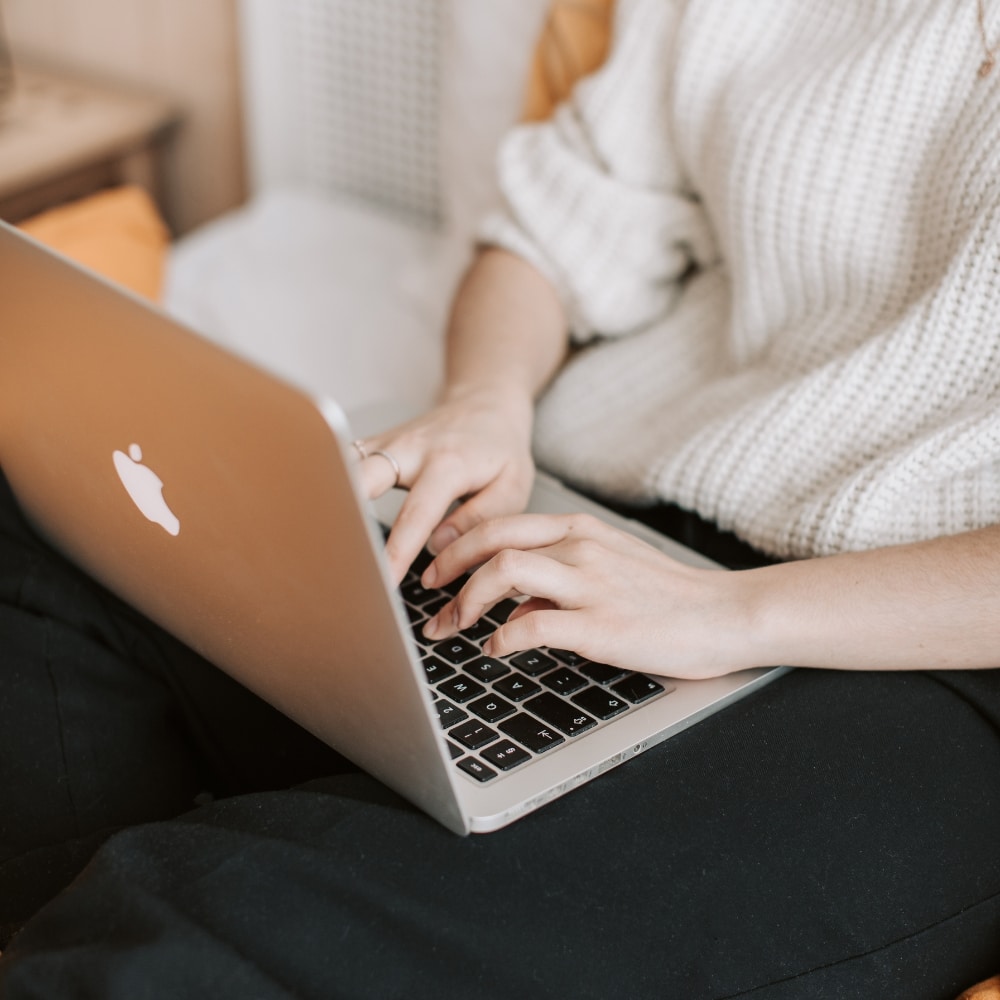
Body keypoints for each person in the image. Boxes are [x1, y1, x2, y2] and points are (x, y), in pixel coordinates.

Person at [2, 0, 999, 996]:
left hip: (922, 652)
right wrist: (484, 404)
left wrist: (730, 615)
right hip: (608, 523)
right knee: (39, 532)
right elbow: (555, 231)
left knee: (215, 928)